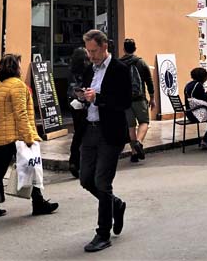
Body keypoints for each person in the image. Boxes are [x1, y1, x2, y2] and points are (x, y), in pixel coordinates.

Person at [0, 54, 58, 220]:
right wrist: (29, 136)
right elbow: (21, 113)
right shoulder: (18, 86)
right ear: (15, 67)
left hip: (1, 134)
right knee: (33, 167)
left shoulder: (0, 86)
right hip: (16, 135)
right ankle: (38, 202)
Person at [79, 30, 131, 253]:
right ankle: (115, 204)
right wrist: (80, 97)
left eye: (93, 51)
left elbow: (124, 101)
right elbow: (85, 93)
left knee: (102, 181)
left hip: (110, 132)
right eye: (88, 51)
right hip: (89, 130)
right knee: (85, 179)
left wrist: (97, 99)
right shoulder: (89, 69)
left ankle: (103, 233)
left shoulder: (120, 69)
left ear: (104, 46)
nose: (91, 56)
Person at [119, 38, 156, 163]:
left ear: (124, 49)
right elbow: (149, 81)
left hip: (125, 100)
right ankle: (139, 143)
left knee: (130, 126)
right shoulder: (141, 62)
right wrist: (152, 98)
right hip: (139, 98)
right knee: (144, 122)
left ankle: (134, 153)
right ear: (135, 48)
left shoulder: (118, 63)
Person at [184, 67, 207, 150]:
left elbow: (199, 98)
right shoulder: (198, 86)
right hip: (195, 113)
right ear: (203, 77)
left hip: (189, 112)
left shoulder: (189, 85)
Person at [68, 47, 91, 178]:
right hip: (84, 103)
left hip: (72, 103)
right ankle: (80, 162)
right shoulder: (88, 69)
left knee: (77, 133)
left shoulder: (71, 70)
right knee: (85, 133)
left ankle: (73, 160)